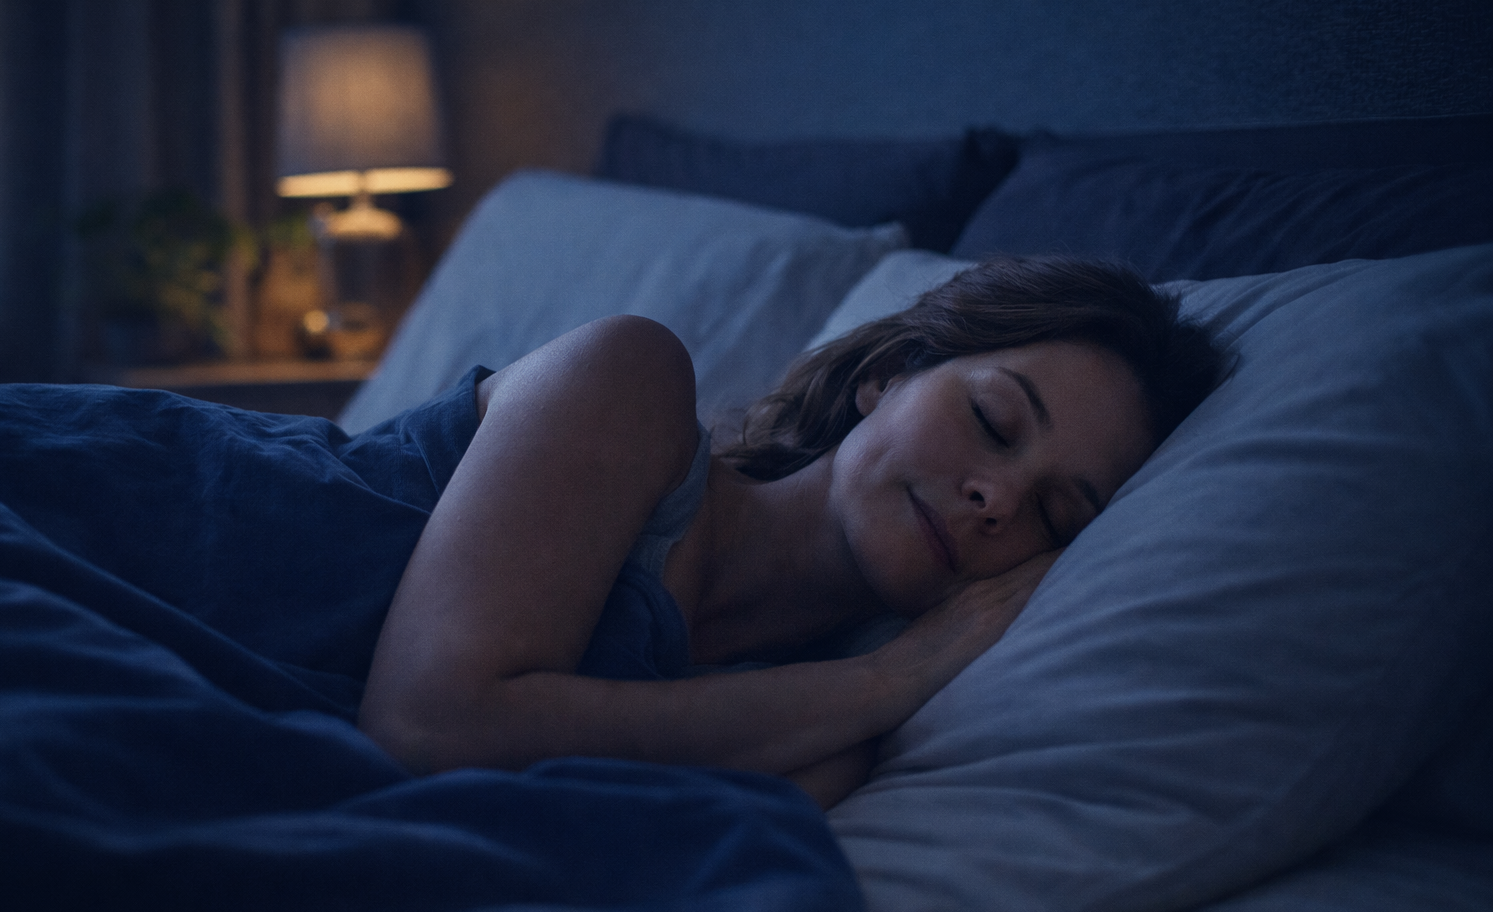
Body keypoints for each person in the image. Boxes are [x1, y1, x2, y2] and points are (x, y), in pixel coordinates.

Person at [359, 256, 1225, 807]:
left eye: (1054, 514)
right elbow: (430, 724)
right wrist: (897, 673)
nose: (995, 498)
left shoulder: (824, 738)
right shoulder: (627, 380)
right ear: (887, 375)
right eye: (994, 422)